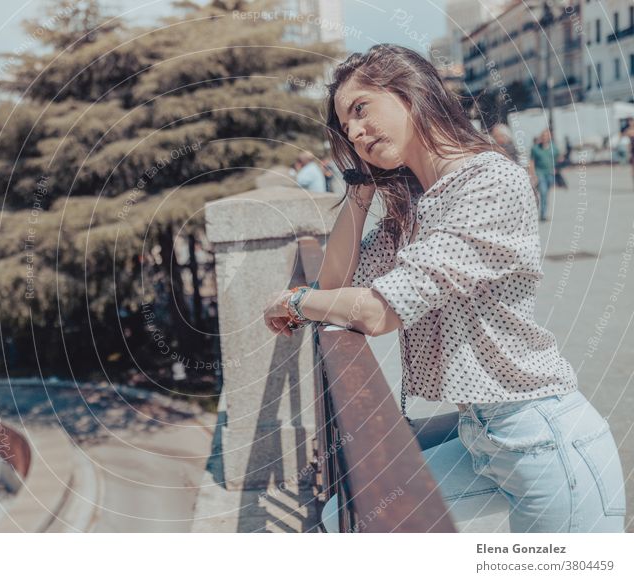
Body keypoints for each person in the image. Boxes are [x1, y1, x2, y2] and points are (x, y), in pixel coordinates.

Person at [261, 44, 626, 533]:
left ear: (409, 92)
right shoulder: (415, 204)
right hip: (481, 438)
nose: (354, 130)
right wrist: (360, 189)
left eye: (361, 108)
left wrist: (295, 302)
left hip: (544, 438)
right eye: (345, 126)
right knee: (343, 521)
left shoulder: (488, 182)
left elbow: (376, 312)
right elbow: (337, 284)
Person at [530, 128, 560, 221]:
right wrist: (533, 173)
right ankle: (543, 214)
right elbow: (531, 161)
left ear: (550, 137)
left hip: (550, 174)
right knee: (543, 192)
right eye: (543, 136)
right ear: (541, 137)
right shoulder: (535, 148)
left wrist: (556, 168)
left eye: (547, 136)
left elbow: (558, 158)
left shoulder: (553, 148)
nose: (544, 138)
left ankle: (543, 211)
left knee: (546, 193)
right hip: (540, 173)